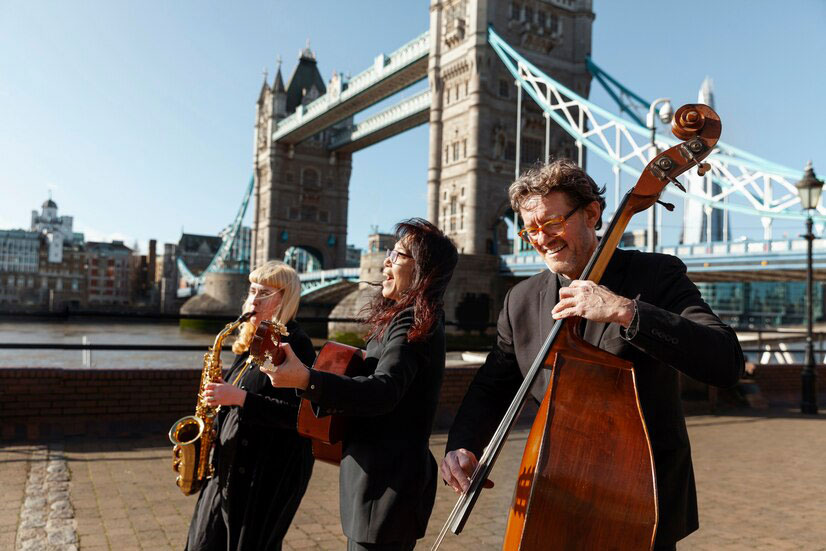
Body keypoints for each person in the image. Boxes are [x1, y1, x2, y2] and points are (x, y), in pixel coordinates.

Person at [440, 159, 744, 550]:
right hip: (553, 494)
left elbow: (726, 360)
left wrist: (626, 311)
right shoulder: (520, 299)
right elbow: (492, 387)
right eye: (530, 229)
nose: (541, 238)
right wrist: (462, 445)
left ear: (592, 214)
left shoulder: (655, 275)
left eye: (551, 223)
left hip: (638, 501)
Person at [263, 218, 458, 551]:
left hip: (385, 488)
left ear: (423, 270)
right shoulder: (412, 316)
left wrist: (308, 380)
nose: (386, 261)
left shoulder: (411, 319)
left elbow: (384, 391)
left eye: (397, 256)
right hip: (382, 487)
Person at [185, 261, 317, 551]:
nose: (253, 299)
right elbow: (242, 390)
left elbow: (299, 416)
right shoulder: (250, 340)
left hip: (266, 472)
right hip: (229, 464)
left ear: (284, 298)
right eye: (252, 290)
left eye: (264, 293)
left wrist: (239, 398)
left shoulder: (295, 344)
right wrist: (223, 391)